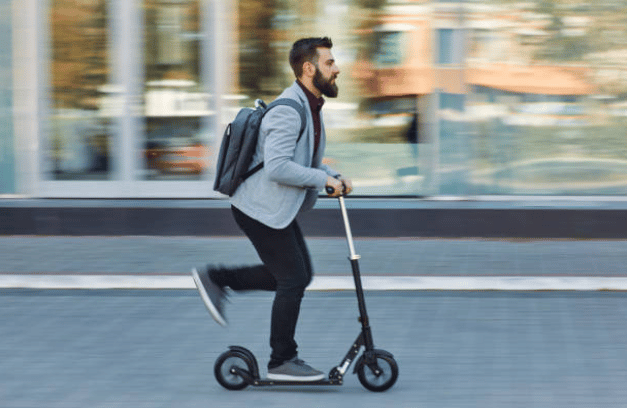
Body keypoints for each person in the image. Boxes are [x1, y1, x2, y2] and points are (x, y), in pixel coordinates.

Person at [192, 37, 352, 382]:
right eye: (330, 63)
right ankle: (282, 360)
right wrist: (321, 180)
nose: (337, 68)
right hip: (258, 208)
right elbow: (278, 167)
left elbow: (301, 161)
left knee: (297, 275)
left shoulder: (308, 105)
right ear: (309, 69)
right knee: (292, 278)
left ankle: (219, 279)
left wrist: (331, 174)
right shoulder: (288, 110)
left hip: (274, 208)